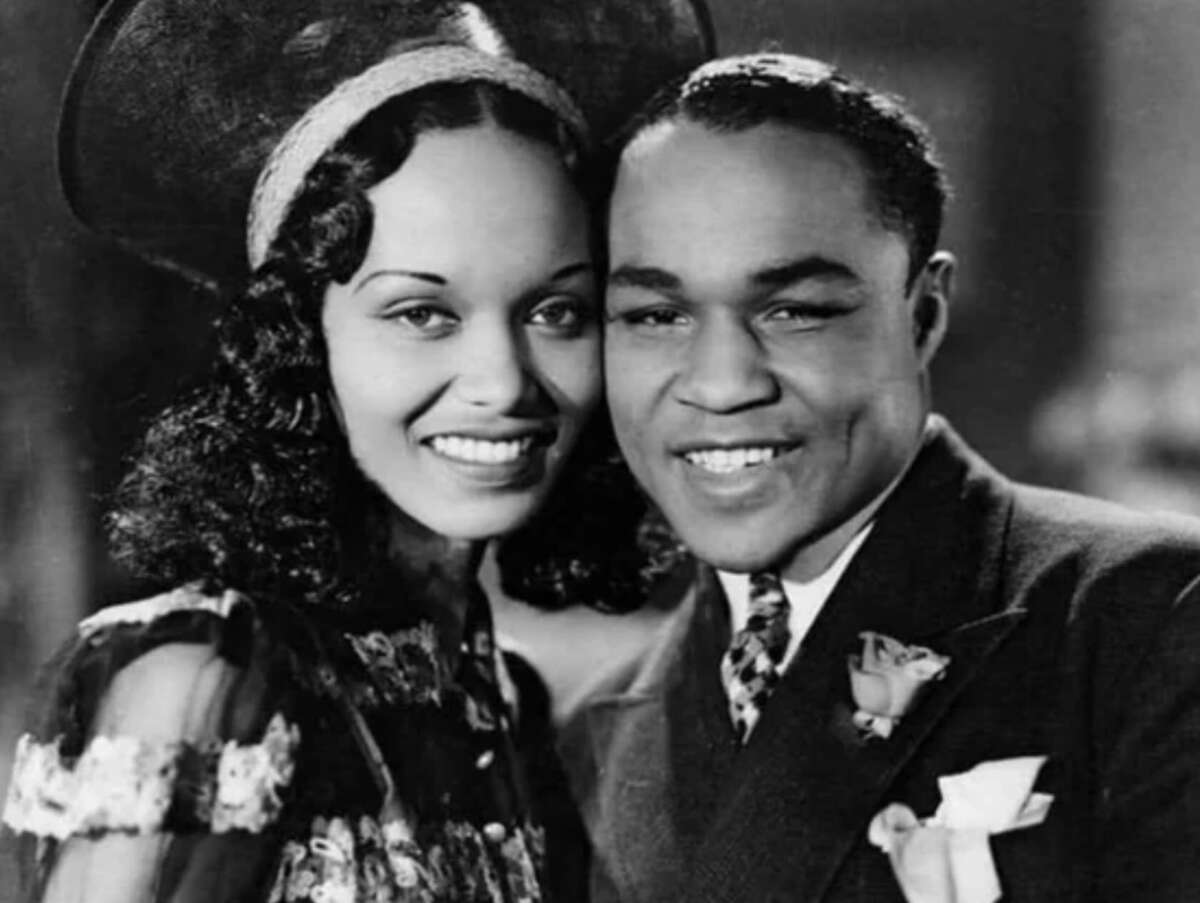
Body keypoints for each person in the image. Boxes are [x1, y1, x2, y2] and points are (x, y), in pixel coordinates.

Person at [0, 0, 710, 900]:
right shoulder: (200, 676)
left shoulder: (500, 702)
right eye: (422, 313)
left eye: (554, 310)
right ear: (299, 341)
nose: (503, 381)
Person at [554, 53, 1200, 902]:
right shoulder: (587, 738)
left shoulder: (1150, 617)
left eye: (796, 311)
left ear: (923, 314)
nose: (721, 383)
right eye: (656, 315)